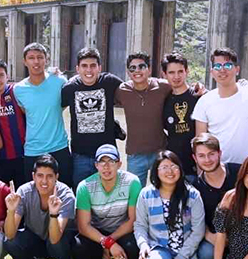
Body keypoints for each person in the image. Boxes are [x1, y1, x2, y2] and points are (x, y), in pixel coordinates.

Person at [134, 151, 206, 259]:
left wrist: (181, 258)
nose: (170, 171)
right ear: (156, 171)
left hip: (185, 252)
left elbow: (198, 230)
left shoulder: (192, 195)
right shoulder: (146, 194)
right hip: (159, 248)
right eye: (164, 167)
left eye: (174, 166)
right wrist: (143, 245)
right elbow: (140, 225)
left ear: (180, 169)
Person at [3, 155, 83, 259]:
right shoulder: (24, 191)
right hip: (35, 238)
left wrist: (53, 214)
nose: (44, 181)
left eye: (49, 176)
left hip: (59, 242)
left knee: (56, 243)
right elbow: (9, 234)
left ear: (56, 177)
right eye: (40, 176)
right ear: (33, 176)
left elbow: (55, 238)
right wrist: (11, 211)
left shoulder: (66, 195)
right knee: (9, 241)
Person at [73, 145, 143, 259]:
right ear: (96, 165)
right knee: (78, 247)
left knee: (135, 246)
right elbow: (83, 226)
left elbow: (133, 220)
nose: (106, 166)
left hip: (123, 230)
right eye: (102, 162)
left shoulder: (132, 182)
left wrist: (110, 241)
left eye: (111, 161)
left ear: (119, 164)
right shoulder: (85, 186)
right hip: (97, 231)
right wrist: (107, 243)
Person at [61, 47, 123, 183]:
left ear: (99, 67)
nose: (89, 70)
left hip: (107, 155)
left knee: (109, 197)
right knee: (81, 197)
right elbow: (55, 110)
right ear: (77, 69)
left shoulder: (110, 82)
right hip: (80, 156)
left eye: (93, 66)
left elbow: (131, 94)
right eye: (84, 66)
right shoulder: (69, 88)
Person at [14, 43, 72, 187]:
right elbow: (25, 112)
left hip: (59, 147)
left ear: (46, 60)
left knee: (64, 192)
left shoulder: (60, 81)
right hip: (33, 149)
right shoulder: (18, 89)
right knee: (33, 194)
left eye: (40, 57)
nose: (36, 61)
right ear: (24, 61)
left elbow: (62, 105)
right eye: (31, 58)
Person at [193, 48, 248, 165]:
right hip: (218, 170)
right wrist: (203, 176)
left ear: (237, 69)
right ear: (212, 72)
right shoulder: (204, 102)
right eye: (217, 66)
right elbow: (200, 144)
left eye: (228, 65)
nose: (222, 70)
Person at [115, 52, 173, 183]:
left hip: (159, 153)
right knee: (134, 196)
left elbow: (183, 89)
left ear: (149, 69)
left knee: (162, 191)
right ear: (128, 72)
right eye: (132, 68)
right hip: (135, 155)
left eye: (142, 66)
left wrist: (200, 89)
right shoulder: (122, 91)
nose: (137, 71)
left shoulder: (163, 87)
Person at [0, 58, 27, 188]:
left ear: (7, 76)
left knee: (22, 194)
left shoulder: (16, 92)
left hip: (22, 155)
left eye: (1, 75)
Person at [162, 52, 201, 180]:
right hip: (173, 167)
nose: (176, 76)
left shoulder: (198, 96)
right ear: (164, 74)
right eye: (171, 72)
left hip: (196, 166)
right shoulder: (164, 100)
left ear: (187, 72)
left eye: (180, 71)